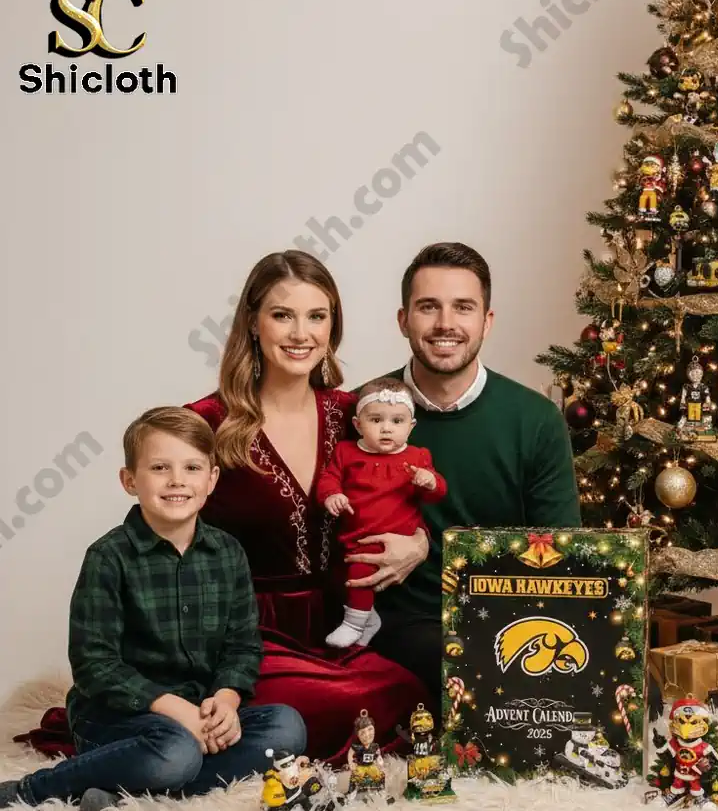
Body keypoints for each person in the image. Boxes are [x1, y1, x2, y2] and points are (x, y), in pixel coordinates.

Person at [0, 407, 306, 811]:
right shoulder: (109, 557)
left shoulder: (228, 552)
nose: (177, 480)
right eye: (160, 467)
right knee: (176, 752)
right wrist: (176, 711)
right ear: (129, 480)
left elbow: (242, 645)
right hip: (117, 719)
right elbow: (94, 664)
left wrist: (226, 699)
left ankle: (123, 789)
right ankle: (34, 789)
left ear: (212, 479)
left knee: (286, 728)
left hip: (197, 713)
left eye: (192, 467)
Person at [184, 251, 429, 760]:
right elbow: (156, 533)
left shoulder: (354, 416)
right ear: (253, 322)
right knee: (333, 707)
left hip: (336, 628)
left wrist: (420, 543)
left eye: (317, 316)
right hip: (243, 636)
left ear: (332, 326)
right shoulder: (208, 422)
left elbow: (407, 492)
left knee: (409, 694)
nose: (301, 334)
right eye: (282, 315)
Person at [365, 241, 582, 697]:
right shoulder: (363, 411)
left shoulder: (536, 420)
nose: (446, 323)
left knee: (633, 688)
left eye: (463, 307)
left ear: (487, 321)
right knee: (466, 670)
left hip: (512, 616)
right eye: (428, 307)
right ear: (403, 320)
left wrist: (428, 546)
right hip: (403, 624)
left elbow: (561, 550)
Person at [317, 376, 447, 647]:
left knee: (360, 572)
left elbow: (435, 494)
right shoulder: (346, 452)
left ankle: (354, 624)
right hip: (355, 534)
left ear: (410, 426)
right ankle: (368, 619)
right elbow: (330, 477)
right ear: (358, 424)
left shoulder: (417, 457)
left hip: (396, 536)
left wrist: (430, 481)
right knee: (343, 578)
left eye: (397, 421)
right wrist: (332, 495)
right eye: (376, 420)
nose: (387, 428)